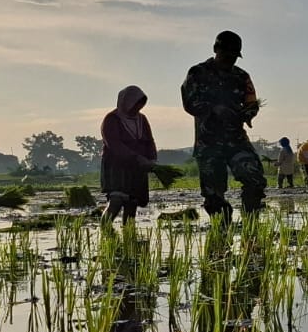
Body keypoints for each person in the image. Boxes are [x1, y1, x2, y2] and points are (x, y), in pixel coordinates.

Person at [180, 30, 266, 224]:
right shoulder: (197, 73)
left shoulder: (242, 76)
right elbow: (189, 102)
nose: (230, 60)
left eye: (234, 57)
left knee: (255, 180)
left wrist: (248, 114)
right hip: (209, 143)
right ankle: (221, 232)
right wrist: (213, 109)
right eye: (227, 55)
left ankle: (251, 227)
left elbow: (252, 103)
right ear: (216, 50)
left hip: (237, 140)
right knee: (213, 195)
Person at [100, 84, 160, 229]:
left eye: (139, 105)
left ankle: (129, 235)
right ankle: (105, 231)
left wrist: (151, 159)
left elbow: (149, 141)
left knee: (132, 203)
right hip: (117, 167)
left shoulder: (142, 119)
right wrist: (136, 157)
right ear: (125, 103)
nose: (137, 108)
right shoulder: (111, 119)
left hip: (137, 168)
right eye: (134, 104)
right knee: (116, 201)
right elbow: (114, 145)